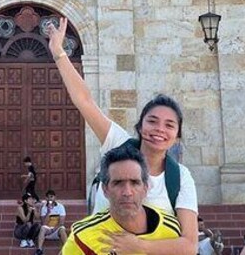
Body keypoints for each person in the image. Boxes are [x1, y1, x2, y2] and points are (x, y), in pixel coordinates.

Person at [48, 17, 198, 255]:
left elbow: (189, 245)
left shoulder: (180, 178)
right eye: (152, 121)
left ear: (177, 136)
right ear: (140, 126)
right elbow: (84, 101)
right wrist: (59, 53)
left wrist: (138, 246)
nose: (159, 129)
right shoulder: (117, 144)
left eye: (169, 125)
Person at [62, 143, 181, 254]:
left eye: (135, 182)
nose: (127, 192)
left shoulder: (171, 230)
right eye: (118, 183)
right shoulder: (83, 237)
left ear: (145, 188)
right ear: (105, 190)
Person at [35, 189, 68, 255]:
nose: (50, 199)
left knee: (62, 229)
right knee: (42, 228)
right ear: (46, 198)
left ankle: (67, 249)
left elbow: (61, 222)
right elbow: (43, 223)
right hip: (48, 230)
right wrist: (48, 212)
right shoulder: (44, 207)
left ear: (55, 197)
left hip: (56, 229)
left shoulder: (60, 207)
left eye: (52, 197)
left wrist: (54, 229)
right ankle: (39, 250)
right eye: (48, 197)